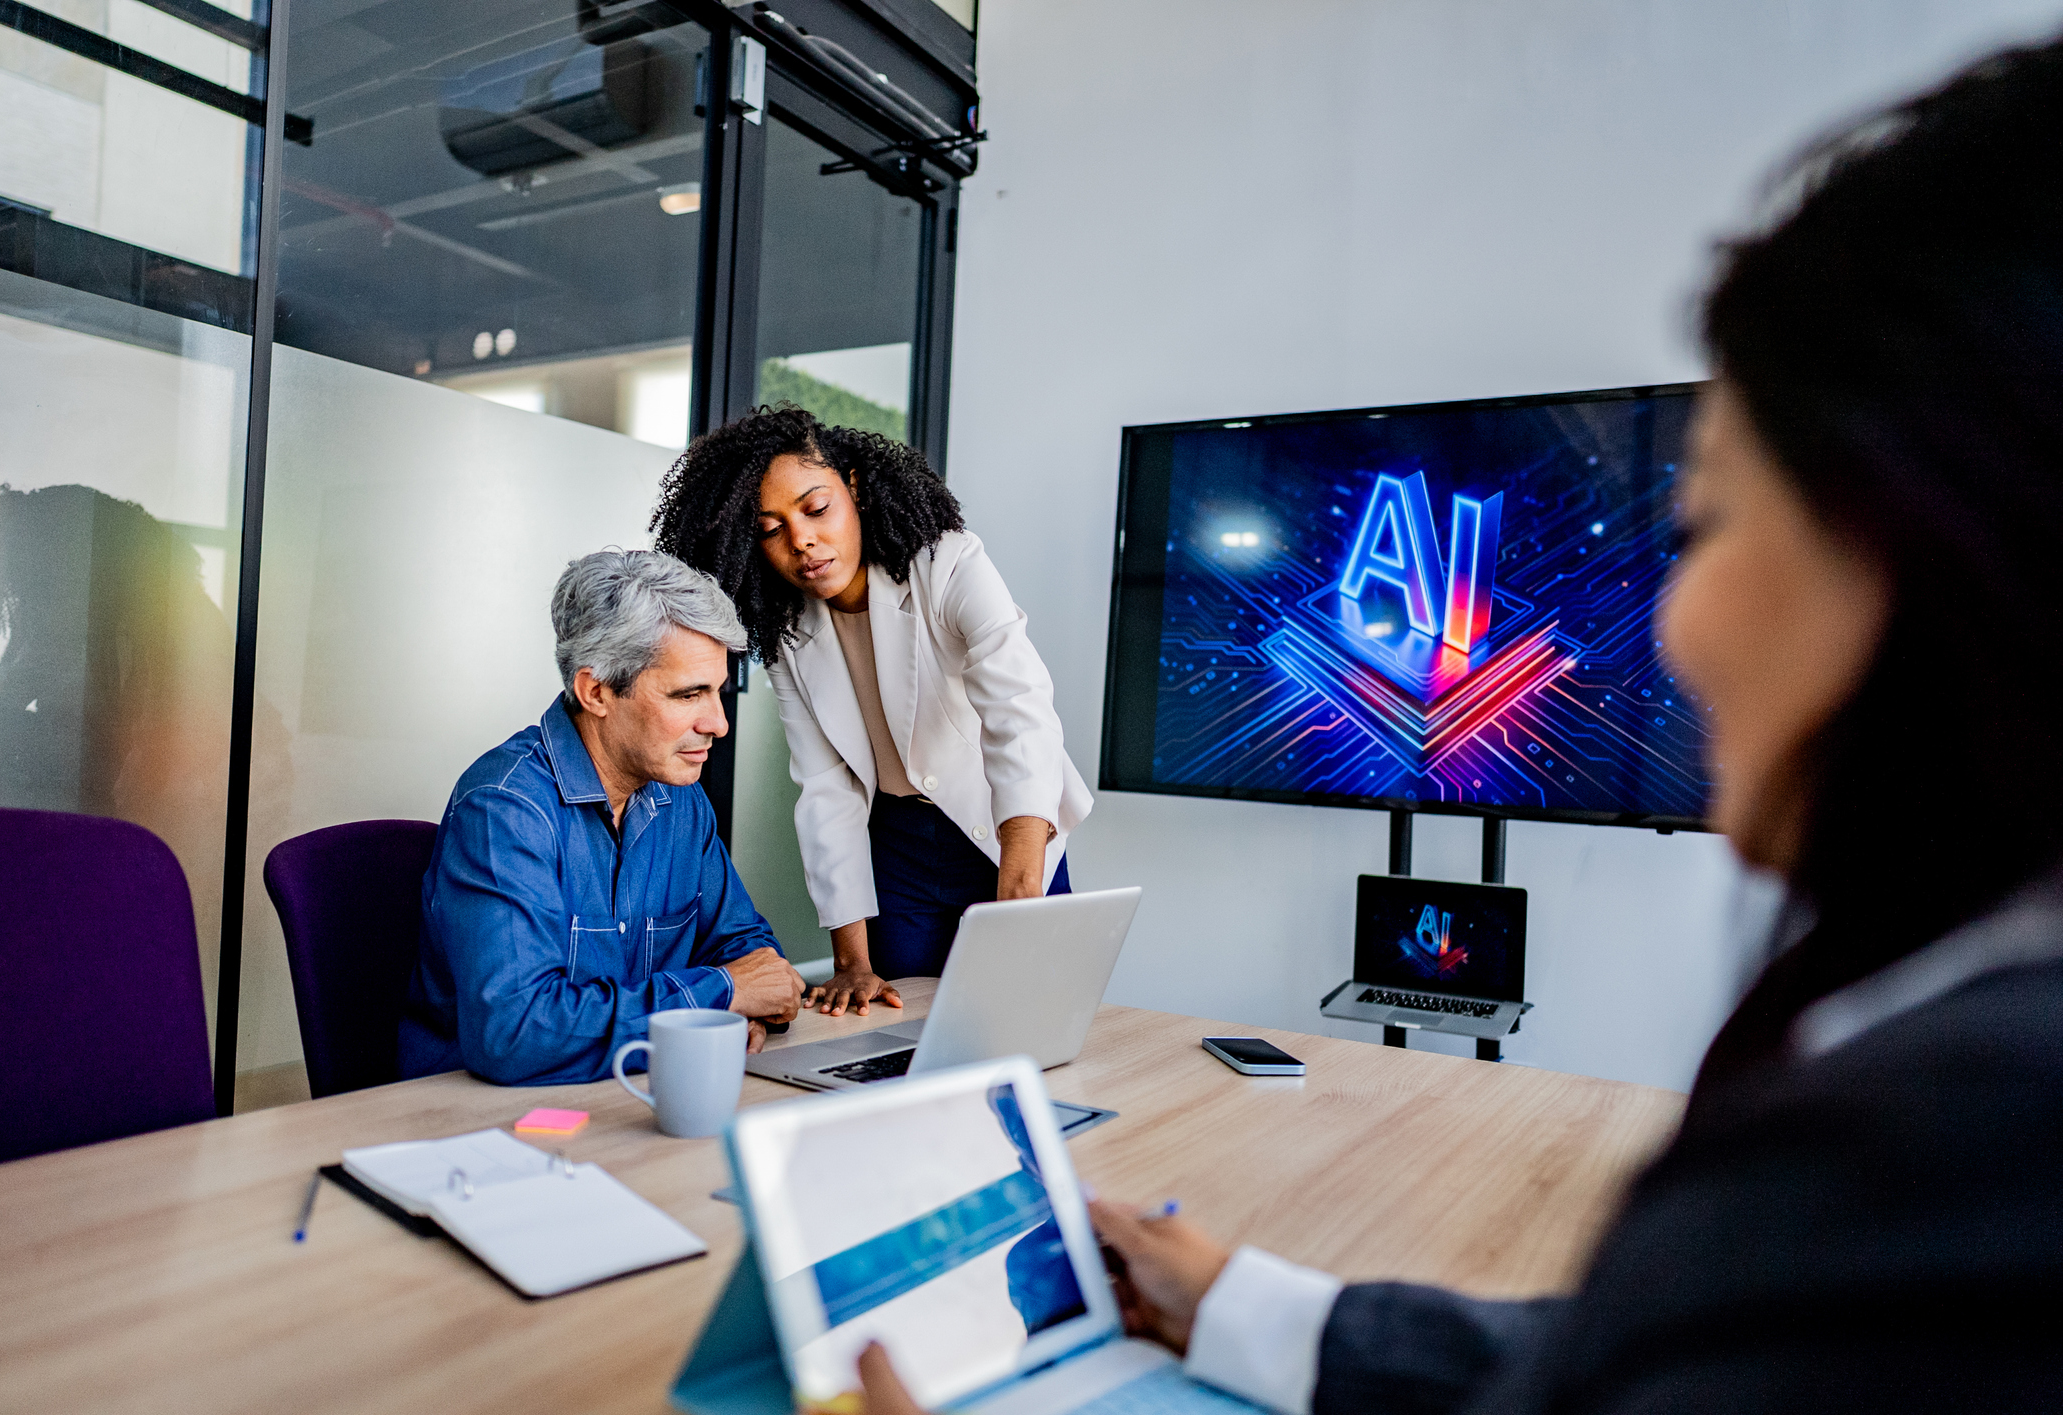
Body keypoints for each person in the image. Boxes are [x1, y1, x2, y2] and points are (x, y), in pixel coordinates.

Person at [855, 34, 2063, 1415]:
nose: (1675, 623)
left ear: (1934, 529)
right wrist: (1248, 1302)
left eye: (1708, 522)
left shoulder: (1949, 1150)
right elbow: (1619, 1363)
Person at [653, 408, 1092, 1016]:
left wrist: (1020, 892)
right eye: (770, 529)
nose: (801, 541)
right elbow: (825, 786)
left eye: (816, 508)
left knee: (1031, 1017)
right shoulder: (786, 631)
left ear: (855, 487)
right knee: (895, 1023)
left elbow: (1019, 711)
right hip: (897, 850)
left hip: (1005, 829)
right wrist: (850, 962)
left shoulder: (948, 564)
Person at [401, 550, 806, 1085]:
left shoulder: (680, 798)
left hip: (630, 1091)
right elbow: (516, 1032)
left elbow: (744, 947)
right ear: (596, 692)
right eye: (689, 694)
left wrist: (748, 997)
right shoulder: (503, 811)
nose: (718, 723)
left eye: (718, 692)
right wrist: (720, 996)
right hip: (477, 1113)